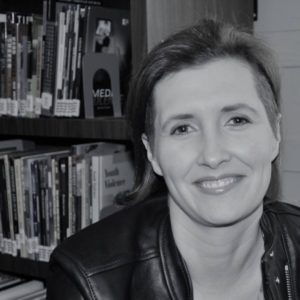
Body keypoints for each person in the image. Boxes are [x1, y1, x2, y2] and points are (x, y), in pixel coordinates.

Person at [46, 19, 300, 299]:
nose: (213, 156)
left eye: (237, 120)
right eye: (182, 129)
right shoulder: (88, 283)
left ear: (275, 132)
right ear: (152, 152)